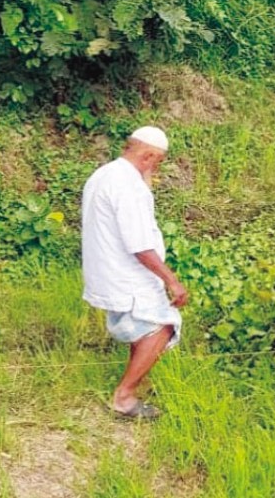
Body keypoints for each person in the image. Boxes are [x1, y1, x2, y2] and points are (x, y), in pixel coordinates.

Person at [81, 126, 187, 420]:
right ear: (149, 154)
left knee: (143, 329)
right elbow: (139, 244)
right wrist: (172, 281)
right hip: (127, 274)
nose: (157, 167)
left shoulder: (105, 174)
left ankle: (135, 384)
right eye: (158, 161)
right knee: (163, 327)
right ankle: (124, 397)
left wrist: (146, 177)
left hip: (107, 269)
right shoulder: (128, 186)